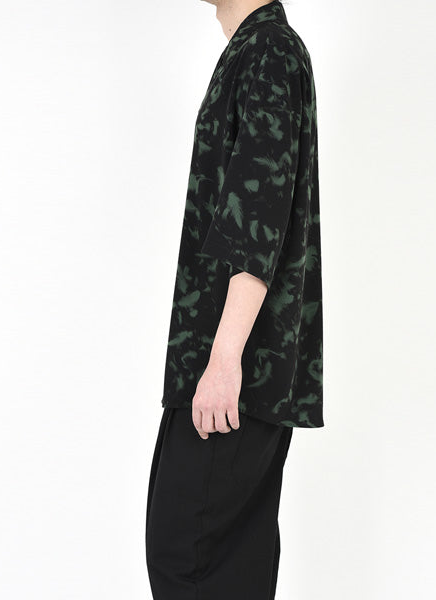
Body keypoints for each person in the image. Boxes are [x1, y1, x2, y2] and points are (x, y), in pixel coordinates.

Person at [145, 1, 324, 598]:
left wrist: (223, 361)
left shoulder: (268, 50)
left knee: (187, 555)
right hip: (239, 363)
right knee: (227, 565)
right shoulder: (257, 48)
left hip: (238, 367)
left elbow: (260, 217)